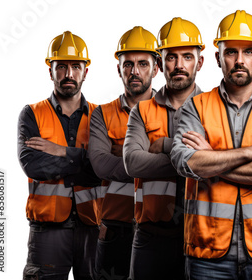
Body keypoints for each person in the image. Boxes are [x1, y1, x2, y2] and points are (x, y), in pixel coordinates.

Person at [171, 10, 252, 280]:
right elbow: (185, 162)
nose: (239, 60)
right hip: (206, 253)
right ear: (218, 57)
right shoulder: (195, 106)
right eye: (230, 52)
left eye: (248, 52)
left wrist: (210, 158)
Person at [122, 18, 204, 279]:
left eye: (187, 57)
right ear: (160, 63)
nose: (179, 65)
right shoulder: (142, 110)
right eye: (171, 57)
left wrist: (167, 146)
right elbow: (132, 163)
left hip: (202, 234)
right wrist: (196, 159)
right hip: (150, 236)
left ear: (199, 62)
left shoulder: (213, 107)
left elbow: (222, 162)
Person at [18, 31, 100, 280]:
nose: (68, 74)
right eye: (61, 66)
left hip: (93, 228)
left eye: (76, 66)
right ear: (50, 70)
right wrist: (84, 159)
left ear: (85, 72)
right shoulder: (32, 114)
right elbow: (33, 165)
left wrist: (61, 153)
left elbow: (105, 168)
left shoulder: (100, 116)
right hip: (47, 232)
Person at [88, 26, 158, 280]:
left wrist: (125, 154)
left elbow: (182, 165)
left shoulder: (173, 112)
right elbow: (100, 166)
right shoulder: (102, 114)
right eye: (128, 64)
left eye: (143, 63)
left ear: (156, 68)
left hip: (158, 227)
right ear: (119, 69)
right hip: (115, 228)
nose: (135, 71)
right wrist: (150, 156)